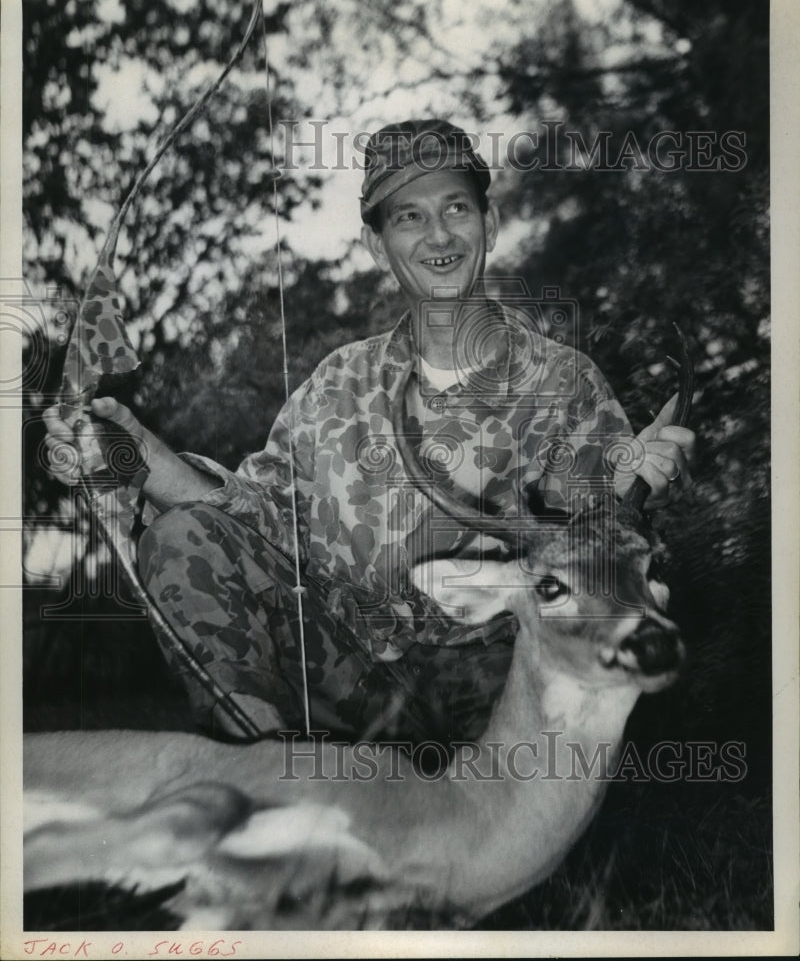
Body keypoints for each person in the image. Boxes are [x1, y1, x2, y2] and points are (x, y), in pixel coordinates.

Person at [43, 119, 695, 745]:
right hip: (351, 680)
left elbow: (606, 551)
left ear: (489, 224)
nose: (438, 234)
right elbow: (247, 520)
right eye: (408, 216)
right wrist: (129, 453)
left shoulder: (565, 384)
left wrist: (641, 487)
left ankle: (505, 816)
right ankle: (267, 783)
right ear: (376, 246)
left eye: (456, 208)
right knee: (183, 536)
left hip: (499, 683)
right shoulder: (335, 385)